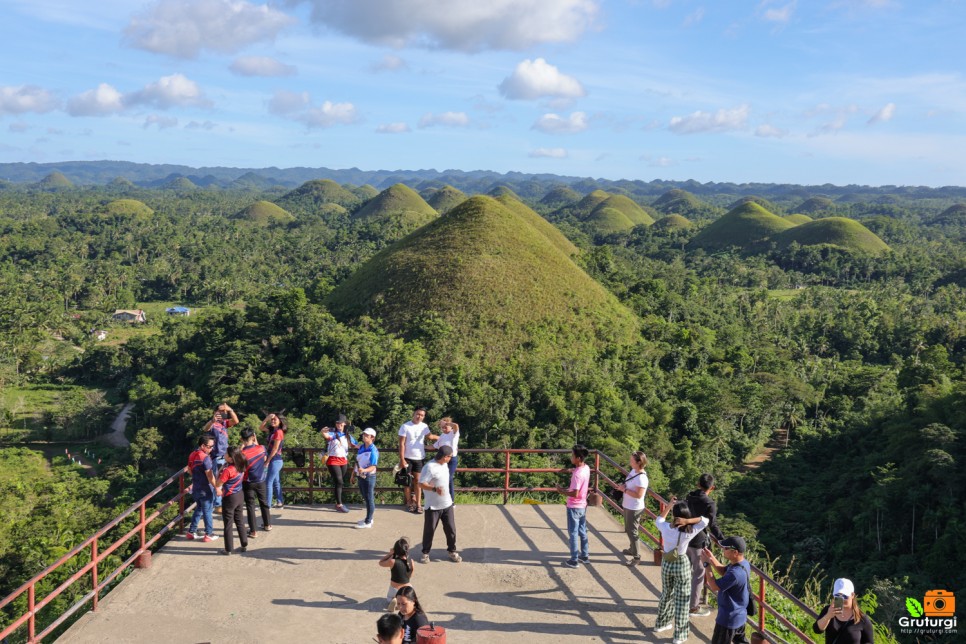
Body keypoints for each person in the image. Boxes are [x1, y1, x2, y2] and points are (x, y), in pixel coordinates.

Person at [653, 499, 710, 644]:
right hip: (681, 564)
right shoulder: (689, 532)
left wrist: (669, 505)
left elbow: (659, 519)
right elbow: (705, 520)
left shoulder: (665, 528)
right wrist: (687, 521)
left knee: (666, 593)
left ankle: (661, 624)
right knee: (683, 600)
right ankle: (679, 635)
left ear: (674, 515)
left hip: (667, 563)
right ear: (686, 516)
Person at [685, 473, 727, 616]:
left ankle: (679, 599)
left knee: (684, 571)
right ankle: (693, 607)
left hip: (684, 538)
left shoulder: (689, 497)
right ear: (712, 488)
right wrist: (722, 540)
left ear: (698, 484)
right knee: (698, 574)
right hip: (698, 541)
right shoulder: (709, 503)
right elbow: (712, 525)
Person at [701, 536, 752, 644]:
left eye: (726, 548)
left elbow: (714, 586)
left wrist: (706, 565)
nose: (723, 549)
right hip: (739, 616)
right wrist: (711, 558)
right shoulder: (742, 564)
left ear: (735, 552)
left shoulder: (736, 573)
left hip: (728, 619)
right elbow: (724, 571)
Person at [417, 445, 462, 563]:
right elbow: (421, 484)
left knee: (451, 530)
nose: (451, 459)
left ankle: (452, 551)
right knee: (429, 530)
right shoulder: (429, 467)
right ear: (444, 457)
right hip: (433, 506)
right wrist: (434, 489)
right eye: (450, 457)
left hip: (447, 504)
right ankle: (425, 553)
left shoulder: (445, 464)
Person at [555, 444, 591, 568]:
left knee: (573, 533)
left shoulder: (577, 475)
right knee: (582, 531)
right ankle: (585, 556)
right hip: (582, 505)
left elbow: (574, 493)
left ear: (578, 458)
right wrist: (569, 470)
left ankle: (574, 560)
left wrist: (561, 491)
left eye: (573, 455)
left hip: (574, 506)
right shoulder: (586, 468)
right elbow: (577, 471)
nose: (571, 457)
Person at [398, 407, 438, 514]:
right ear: (413, 413)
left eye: (422, 415)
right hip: (407, 458)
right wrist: (402, 459)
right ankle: (409, 503)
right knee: (407, 482)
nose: (419, 416)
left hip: (419, 458)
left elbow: (430, 437)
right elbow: (401, 444)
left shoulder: (424, 426)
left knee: (418, 482)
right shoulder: (405, 426)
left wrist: (444, 438)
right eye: (418, 414)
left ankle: (419, 504)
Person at [812, 578, 874, 644]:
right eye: (837, 595)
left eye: (844, 596)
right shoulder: (828, 610)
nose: (841, 599)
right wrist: (828, 616)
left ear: (852, 595)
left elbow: (869, 642)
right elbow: (817, 630)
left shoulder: (862, 619)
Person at [215, 445, 249, 555]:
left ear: (230, 458)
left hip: (229, 497)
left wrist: (220, 470)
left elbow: (218, 483)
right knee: (240, 521)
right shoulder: (241, 465)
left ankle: (228, 549)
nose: (224, 455)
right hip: (239, 494)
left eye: (226, 454)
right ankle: (244, 544)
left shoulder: (228, 470)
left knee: (228, 523)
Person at [617, 451, 649, 565]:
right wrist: (624, 486)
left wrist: (624, 490)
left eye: (632, 461)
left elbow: (639, 495)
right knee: (628, 528)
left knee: (632, 531)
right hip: (628, 505)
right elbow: (629, 482)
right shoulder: (633, 471)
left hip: (634, 508)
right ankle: (632, 549)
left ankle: (636, 557)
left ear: (639, 462)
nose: (630, 462)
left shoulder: (642, 478)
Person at [321, 413, 358, 513]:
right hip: (333, 460)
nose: (339, 425)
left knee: (339, 483)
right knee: (339, 481)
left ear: (344, 424)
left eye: (341, 423)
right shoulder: (333, 434)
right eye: (337, 423)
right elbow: (327, 437)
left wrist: (368, 447)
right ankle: (339, 504)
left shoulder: (348, 436)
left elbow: (355, 445)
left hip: (343, 460)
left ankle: (338, 501)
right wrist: (323, 431)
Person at [185, 434, 219, 542]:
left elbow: (189, 470)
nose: (212, 449)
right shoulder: (205, 458)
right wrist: (217, 487)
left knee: (199, 509)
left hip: (196, 488)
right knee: (207, 511)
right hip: (205, 489)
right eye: (210, 446)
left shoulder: (192, 454)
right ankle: (209, 533)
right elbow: (210, 476)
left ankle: (191, 531)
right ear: (203, 446)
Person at [204, 404, 237, 508]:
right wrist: (212, 421)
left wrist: (230, 410)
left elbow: (236, 421)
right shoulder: (213, 424)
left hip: (226, 456)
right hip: (217, 456)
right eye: (219, 411)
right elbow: (205, 428)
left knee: (225, 479)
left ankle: (222, 502)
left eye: (223, 412)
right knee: (218, 480)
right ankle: (218, 504)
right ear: (215, 412)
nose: (221, 413)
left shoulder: (224, 423)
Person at [240, 428, 271, 537]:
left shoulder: (242, 454)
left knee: (250, 506)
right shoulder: (261, 448)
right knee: (264, 502)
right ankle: (267, 525)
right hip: (261, 480)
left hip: (248, 482)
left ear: (241, 439)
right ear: (253, 437)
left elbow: (240, 468)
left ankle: (253, 531)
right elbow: (265, 458)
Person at [379, 537, 415, 612]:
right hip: (407, 589)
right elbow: (410, 576)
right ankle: (404, 603)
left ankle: (395, 601)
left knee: (389, 599)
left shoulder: (392, 562)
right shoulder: (411, 561)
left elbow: (381, 563)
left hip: (394, 588)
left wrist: (390, 554)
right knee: (410, 598)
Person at [355, 427, 379, 528]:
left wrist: (364, 470)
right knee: (366, 497)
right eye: (364, 434)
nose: (364, 436)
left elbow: (373, 466)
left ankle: (368, 521)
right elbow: (358, 462)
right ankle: (369, 518)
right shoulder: (361, 447)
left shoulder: (373, 450)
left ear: (372, 437)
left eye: (367, 435)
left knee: (369, 499)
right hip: (360, 476)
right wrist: (353, 474)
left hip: (369, 476)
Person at [261, 412, 286, 509]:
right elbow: (261, 427)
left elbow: (275, 449)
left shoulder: (279, 432)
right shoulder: (272, 431)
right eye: (272, 419)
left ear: (280, 421)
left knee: (268, 482)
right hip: (273, 459)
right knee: (275, 482)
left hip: (275, 460)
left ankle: (267, 505)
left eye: (275, 419)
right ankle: (280, 502)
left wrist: (267, 461)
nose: (273, 421)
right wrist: (267, 418)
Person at [433, 417, 460, 500]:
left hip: (451, 459)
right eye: (442, 427)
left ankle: (448, 500)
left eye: (446, 427)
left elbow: (456, 426)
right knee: (443, 478)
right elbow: (434, 446)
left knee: (447, 478)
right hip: (442, 460)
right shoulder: (442, 435)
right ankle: (448, 500)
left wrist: (447, 423)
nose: (444, 429)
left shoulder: (453, 433)